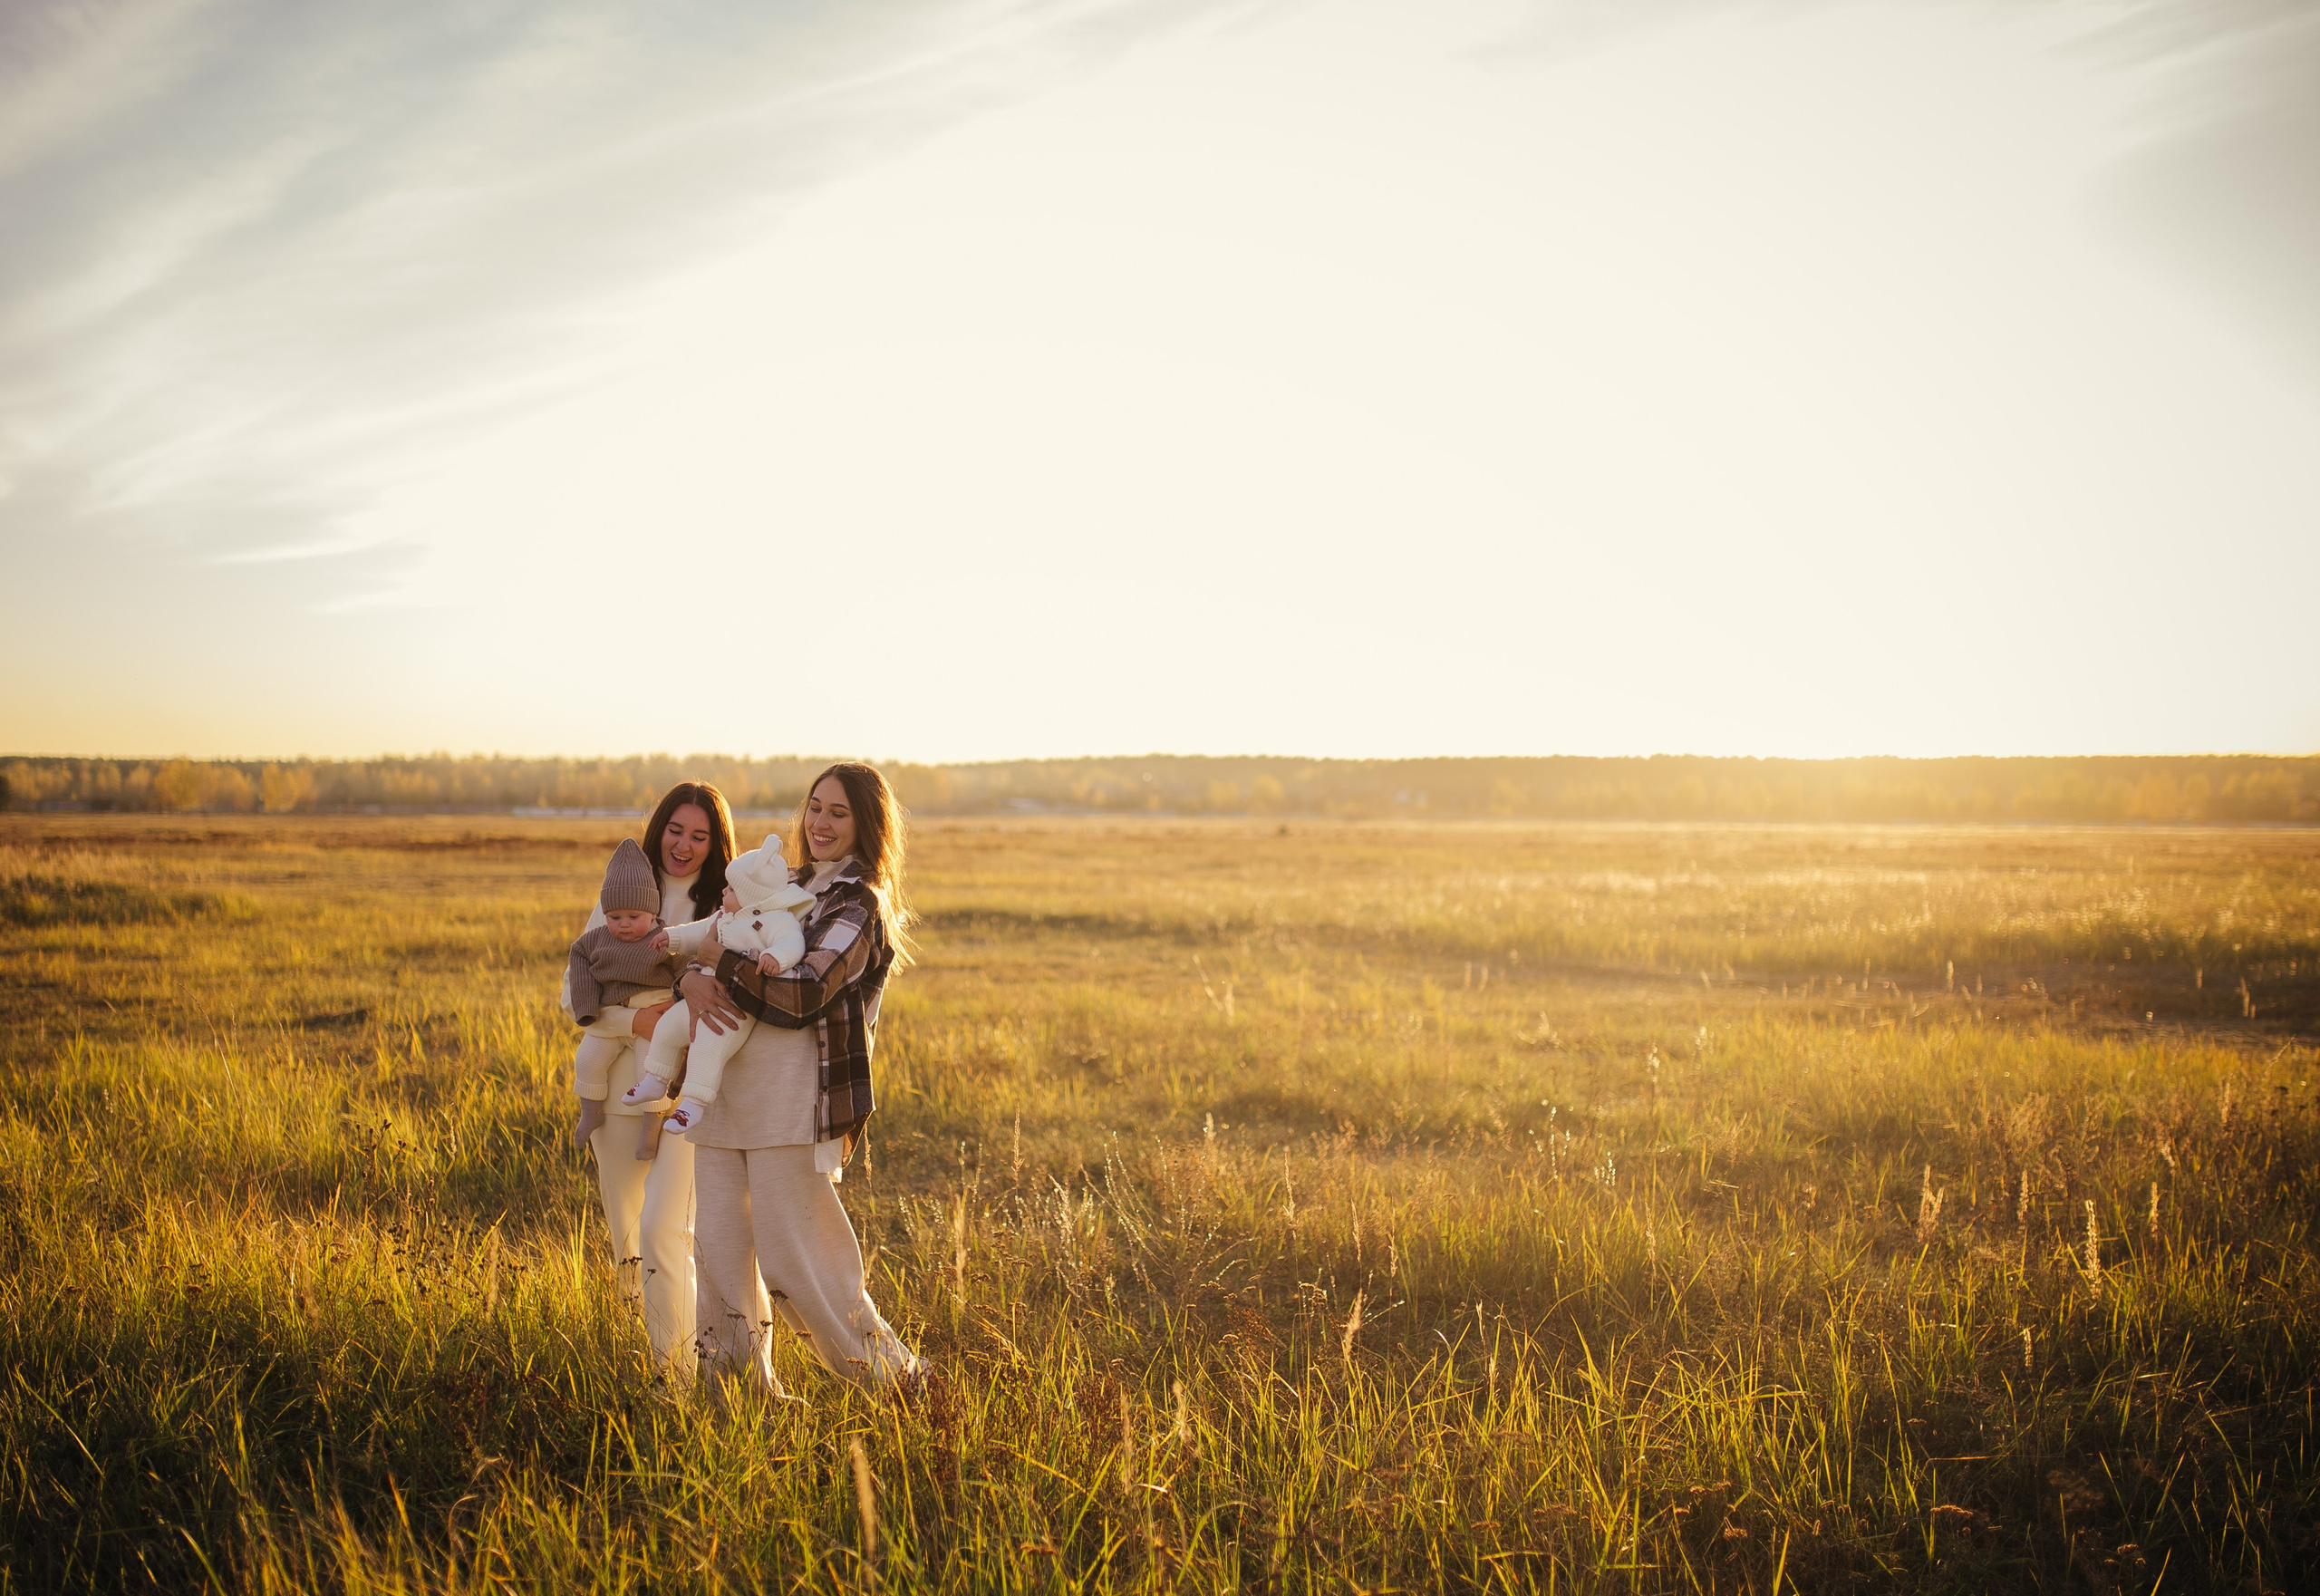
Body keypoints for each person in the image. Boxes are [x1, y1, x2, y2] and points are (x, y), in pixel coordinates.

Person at [676, 760, 923, 1398]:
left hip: (794, 1101)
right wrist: (691, 977)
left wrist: (718, 964)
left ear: (866, 824)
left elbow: (806, 992)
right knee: (721, 1257)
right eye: (815, 807)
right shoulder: (780, 882)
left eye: (839, 813)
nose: (820, 822)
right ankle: (733, 1395)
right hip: (727, 1093)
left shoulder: (858, 901)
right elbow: (706, 946)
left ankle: (904, 1387)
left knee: (801, 1264)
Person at [566, 782, 736, 1378]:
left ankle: (682, 1377)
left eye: (699, 834)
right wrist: (635, 1017)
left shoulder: (727, 906)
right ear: (658, 827)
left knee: (665, 1223)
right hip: (616, 1084)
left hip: (683, 1092)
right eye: (675, 829)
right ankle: (649, 1357)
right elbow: (573, 992)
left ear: (715, 844)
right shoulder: (624, 892)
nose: (684, 845)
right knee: (626, 1228)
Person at [624, 834, 816, 1135]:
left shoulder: (777, 920)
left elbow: (793, 943)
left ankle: (693, 1105)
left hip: (736, 1006)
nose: (724, 891)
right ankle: (655, 1079)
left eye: (731, 888)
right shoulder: (727, 915)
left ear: (752, 895)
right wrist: (672, 938)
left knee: (708, 1046)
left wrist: (776, 957)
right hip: (702, 993)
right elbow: (699, 932)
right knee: (667, 1028)